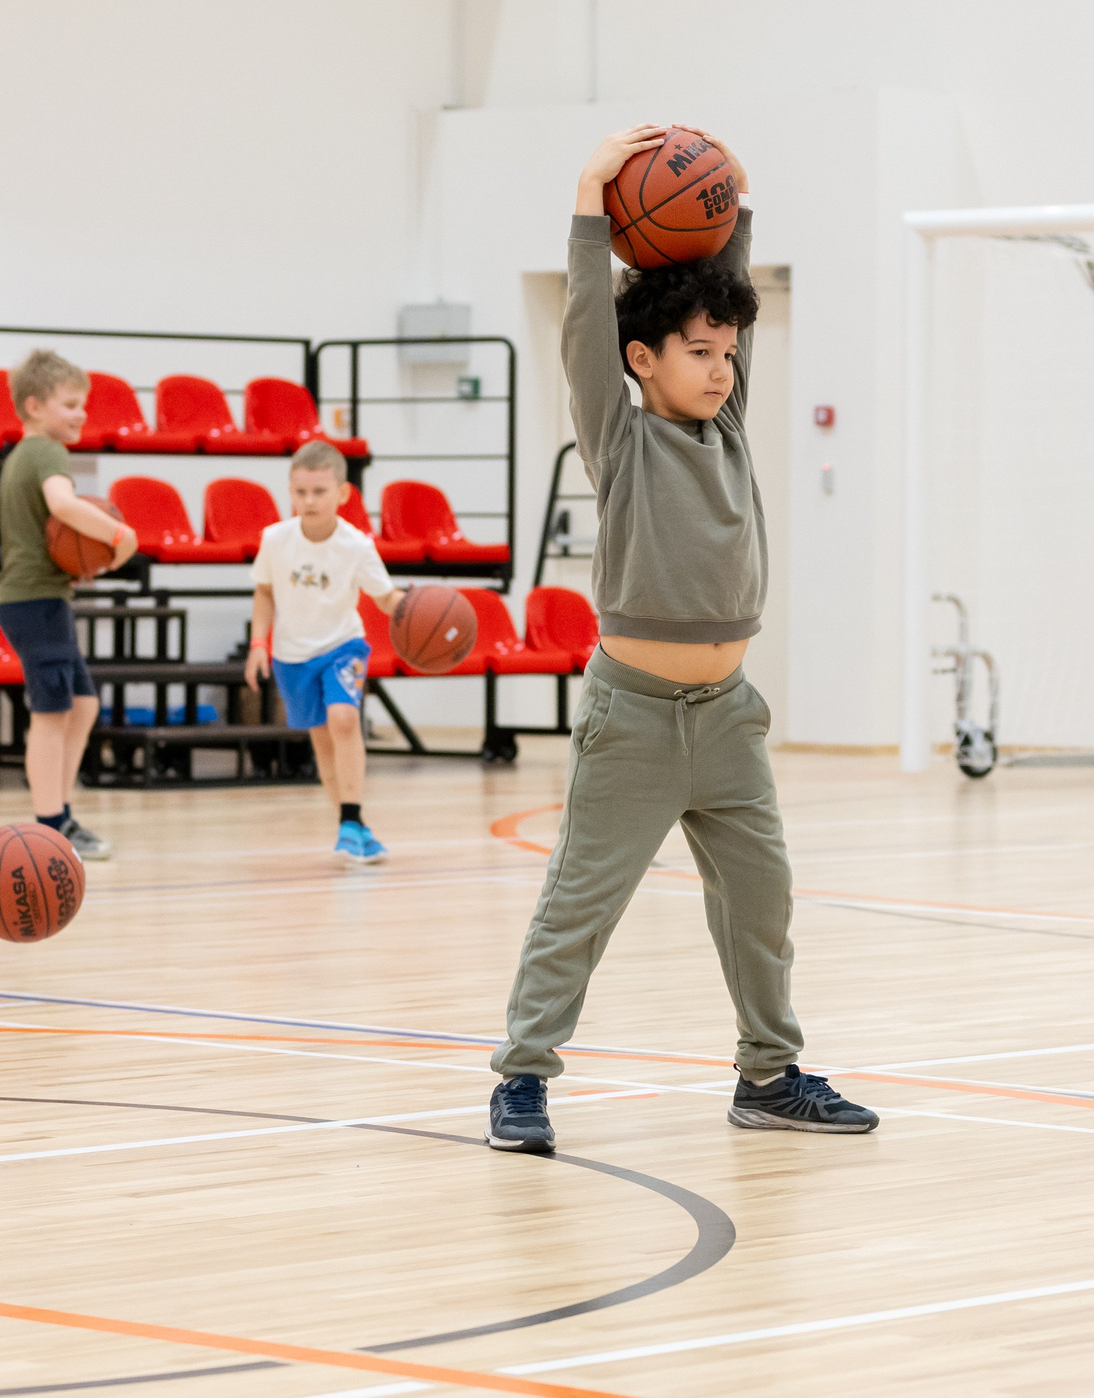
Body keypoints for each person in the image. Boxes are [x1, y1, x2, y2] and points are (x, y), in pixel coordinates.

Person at [485, 125, 877, 1155]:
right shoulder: (619, 435)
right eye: (695, 352)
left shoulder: (729, 424)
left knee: (762, 899)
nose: (716, 368)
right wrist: (586, 195)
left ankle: (769, 1072)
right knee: (581, 903)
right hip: (635, 716)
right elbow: (582, 319)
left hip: (729, 718)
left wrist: (736, 206)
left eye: (726, 352)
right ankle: (522, 1080)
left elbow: (727, 280)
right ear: (641, 360)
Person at [0, 349, 135, 862]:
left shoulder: (22, 454)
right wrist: (121, 536)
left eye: (84, 406)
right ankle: (52, 824)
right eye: (70, 404)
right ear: (34, 406)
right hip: (34, 598)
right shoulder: (46, 452)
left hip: (37, 598)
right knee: (52, 715)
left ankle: (62, 812)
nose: (80, 415)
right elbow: (63, 507)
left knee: (84, 704)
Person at [241, 440, 404, 864]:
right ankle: (352, 825)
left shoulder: (356, 546)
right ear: (290, 493)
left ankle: (350, 819)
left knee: (344, 720)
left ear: (343, 494)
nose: (309, 501)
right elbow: (264, 592)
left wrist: (413, 607)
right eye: (300, 492)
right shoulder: (275, 540)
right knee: (323, 743)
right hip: (292, 655)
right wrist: (259, 643)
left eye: (319, 492)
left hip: (342, 646)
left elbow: (386, 598)